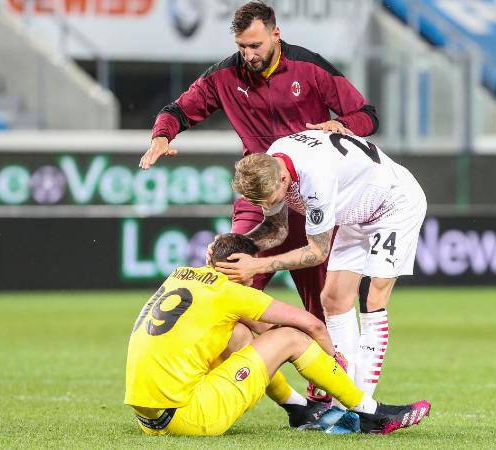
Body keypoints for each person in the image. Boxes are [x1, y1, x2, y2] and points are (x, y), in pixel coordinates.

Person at [138, 1, 379, 328]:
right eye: (241, 47)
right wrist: (161, 137)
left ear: (275, 34)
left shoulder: (310, 68)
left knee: (324, 308)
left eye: (255, 45)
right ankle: (249, 374)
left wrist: (343, 126)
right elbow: (176, 111)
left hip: (311, 198)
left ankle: (323, 376)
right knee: (229, 284)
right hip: (260, 199)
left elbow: (366, 115)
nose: (248, 54)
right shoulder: (224, 76)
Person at [124, 233, 430, 436]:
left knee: (239, 334)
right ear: (246, 269)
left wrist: (278, 349)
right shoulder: (231, 293)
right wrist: (331, 359)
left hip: (149, 420)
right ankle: (369, 412)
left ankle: (297, 408)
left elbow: (258, 332)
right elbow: (313, 326)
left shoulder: (180, 275)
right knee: (292, 338)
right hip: (190, 417)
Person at [221, 130, 427, 401]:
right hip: (355, 212)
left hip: (394, 205)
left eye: (271, 200)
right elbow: (277, 229)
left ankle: (361, 407)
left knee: (372, 298)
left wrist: (257, 267)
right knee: (333, 299)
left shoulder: (315, 178)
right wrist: (236, 244)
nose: (270, 206)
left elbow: (318, 252)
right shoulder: (271, 163)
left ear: (283, 179)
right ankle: (343, 400)